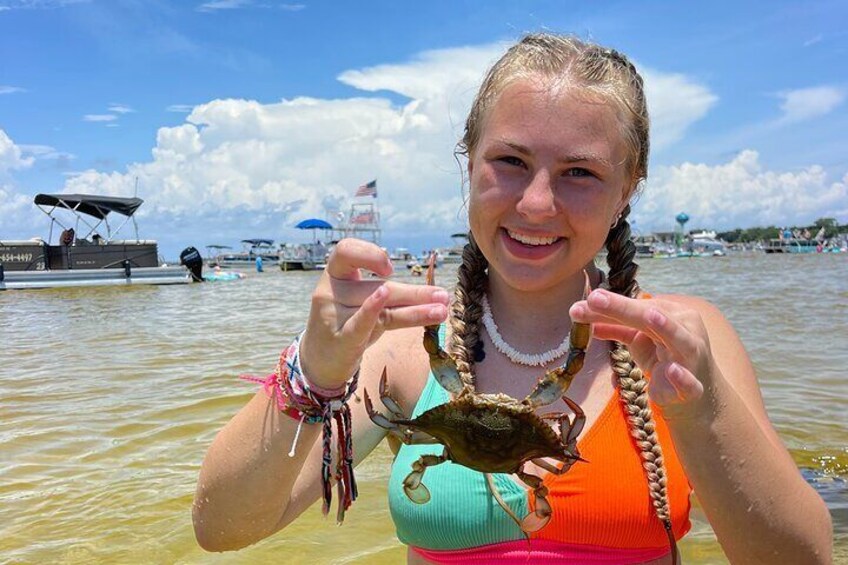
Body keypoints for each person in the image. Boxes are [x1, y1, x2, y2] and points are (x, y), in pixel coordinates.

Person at [193, 33, 832, 563]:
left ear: (627, 192)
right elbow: (222, 529)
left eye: (580, 172)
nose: (534, 204)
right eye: (510, 161)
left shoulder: (684, 342)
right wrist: (315, 369)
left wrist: (701, 410)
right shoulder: (401, 350)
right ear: (468, 165)